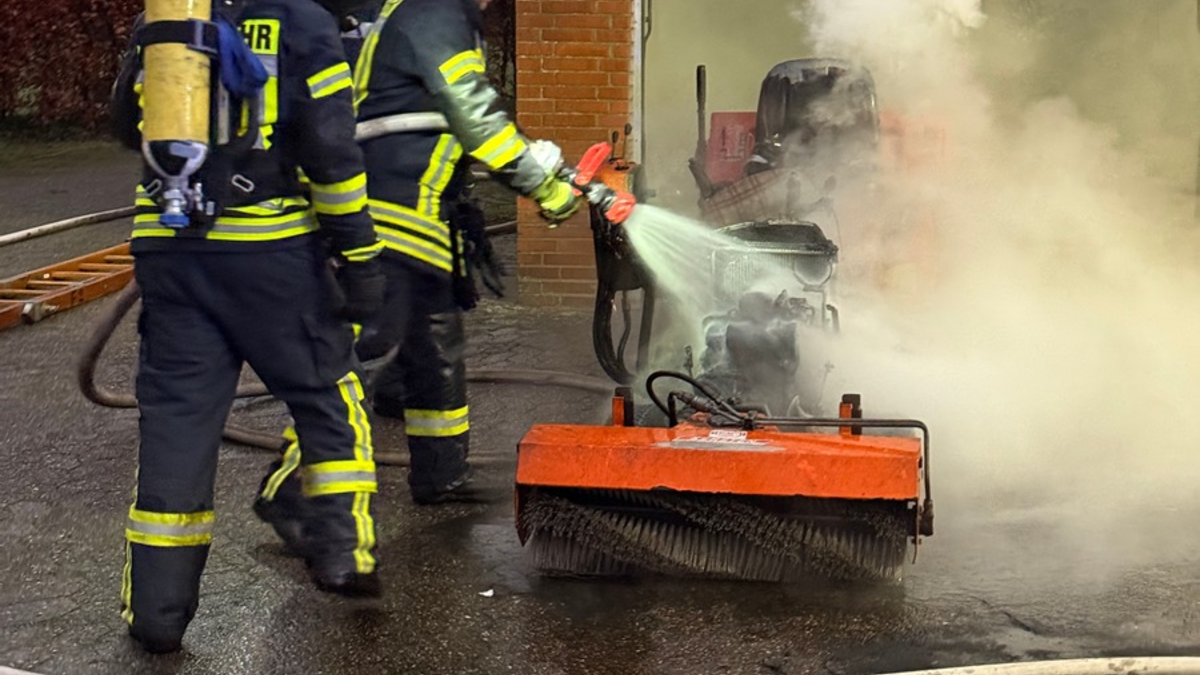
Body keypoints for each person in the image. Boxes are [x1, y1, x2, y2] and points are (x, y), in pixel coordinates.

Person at [112, 0, 385, 653]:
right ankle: (344, 553)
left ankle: (157, 611)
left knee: (177, 424)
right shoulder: (302, 20)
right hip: (270, 255)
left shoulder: (169, 12)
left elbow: (126, 121)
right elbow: (331, 147)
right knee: (327, 394)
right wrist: (360, 255)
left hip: (169, 251)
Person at [345, 0, 580, 504]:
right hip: (391, 208)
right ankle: (299, 491)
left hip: (419, 208)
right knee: (362, 350)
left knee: (434, 346)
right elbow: (473, 114)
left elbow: (464, 121)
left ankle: (441, 475)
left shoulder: (435, 14)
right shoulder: (434, 13)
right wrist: (541, 184)